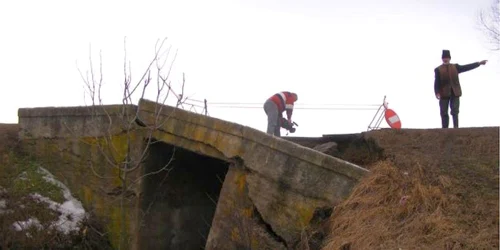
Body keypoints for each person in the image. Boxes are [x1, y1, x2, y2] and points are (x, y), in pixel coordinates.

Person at [434, 50, 487, 128]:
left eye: (447, 57)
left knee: (455, 111)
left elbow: (466, 67)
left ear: (449, 58)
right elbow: (437, 82)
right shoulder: (438, 69)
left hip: (455, 92)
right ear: (442, 59)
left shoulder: (455, 67)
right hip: (443, 93)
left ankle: (456, 128)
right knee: (444, 112)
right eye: (444, 58)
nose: (445, 59)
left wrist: (478, 63)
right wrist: (437, 92)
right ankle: (444, 129)